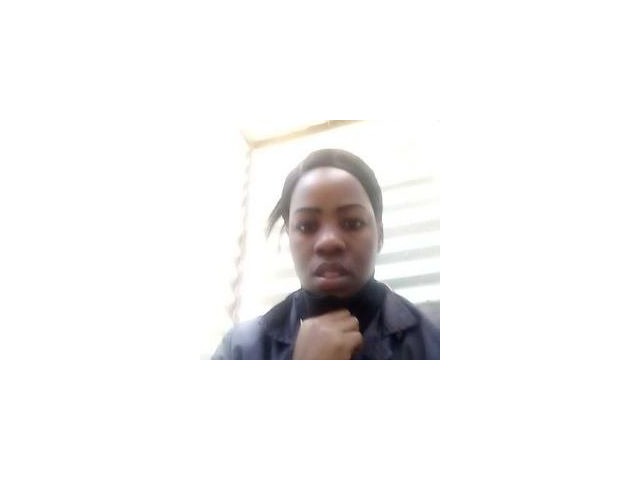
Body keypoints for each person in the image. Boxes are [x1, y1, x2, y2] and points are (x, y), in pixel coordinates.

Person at [212, 148, 440, 359]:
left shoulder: (436, 337)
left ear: (379, 235)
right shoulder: (238, 349)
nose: (328, 242)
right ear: (289, 237)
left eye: (352, 223)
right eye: (306, 226)